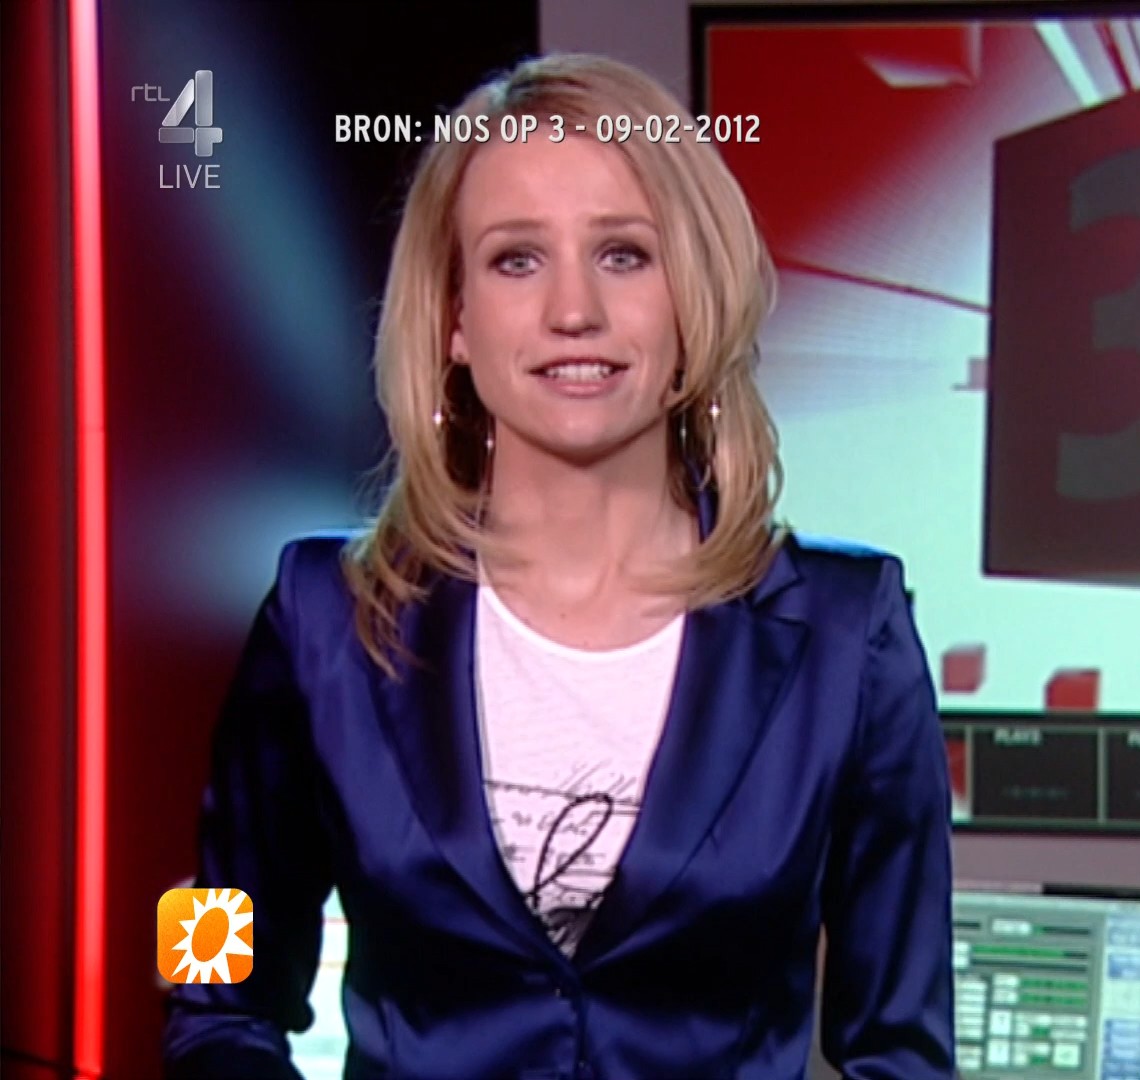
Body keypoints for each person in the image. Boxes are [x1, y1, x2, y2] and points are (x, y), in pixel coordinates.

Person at [161, 53, 955, 1080]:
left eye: (624, 254)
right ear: (454, 317)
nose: (573, 309)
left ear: (691, 299)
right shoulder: (321, 617)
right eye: (516, 260)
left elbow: (902, 1050)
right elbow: (209, 981)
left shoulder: (850, 635)